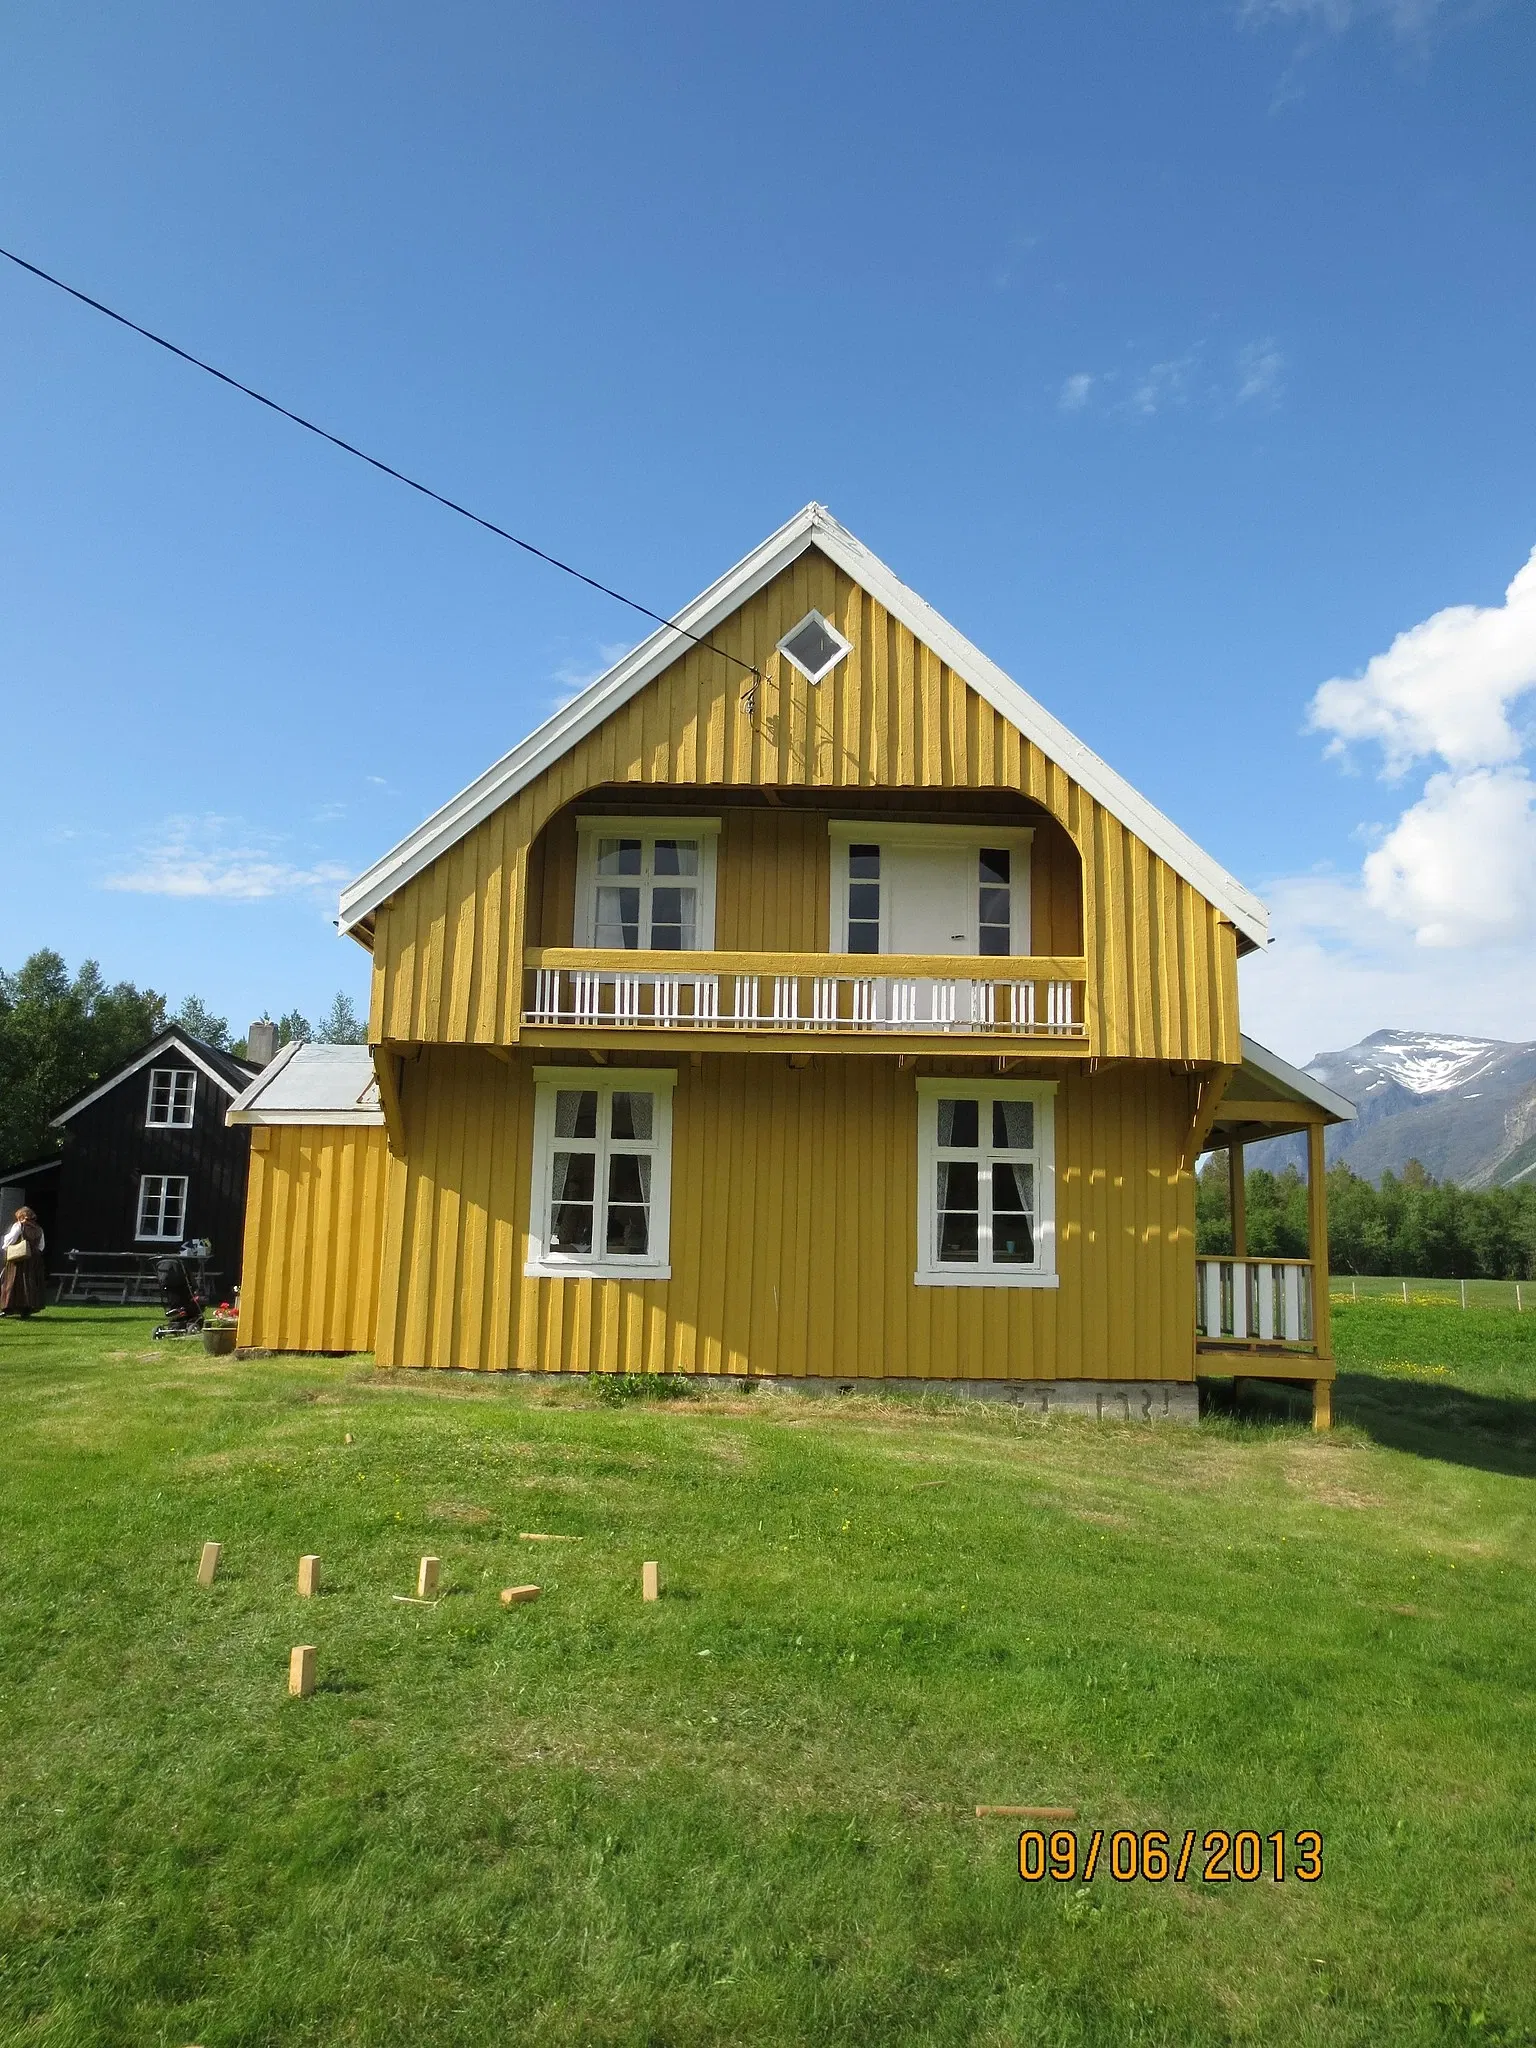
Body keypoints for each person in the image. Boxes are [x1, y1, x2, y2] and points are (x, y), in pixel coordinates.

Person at [0, 1204, 46, 1317]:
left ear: (20, 1216)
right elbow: (41, 1246)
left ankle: (8, 1308)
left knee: (12, 1283)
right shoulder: (39, 1229)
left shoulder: (19, 1226)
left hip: (19, 1258)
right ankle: (26, 1309)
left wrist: (5, 1248)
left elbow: (10, 1240)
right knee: (30, 1283)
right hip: (34, 1259)